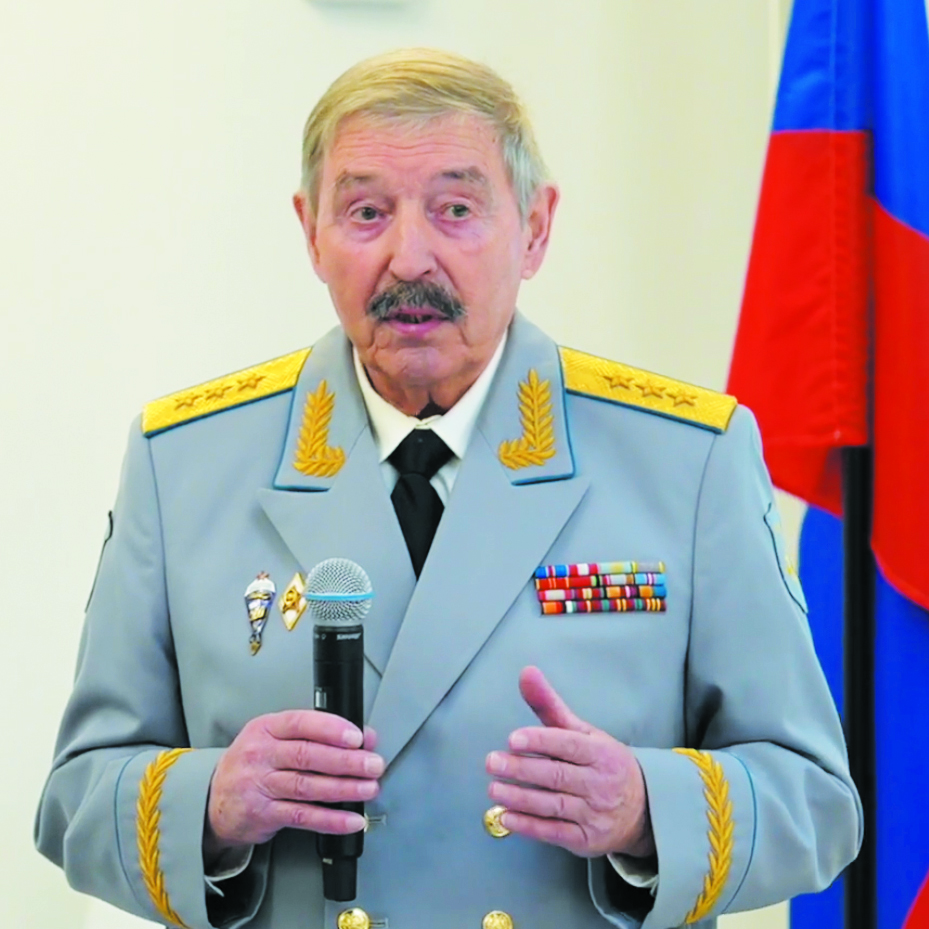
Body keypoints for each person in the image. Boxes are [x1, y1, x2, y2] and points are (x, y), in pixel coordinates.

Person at [35, 48, 861, 929]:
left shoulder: (685, 460)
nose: (408, 258)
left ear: (534, 229)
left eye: (455, 209)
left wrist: (643, 809)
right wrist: (210, 802)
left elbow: (815, 802)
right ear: (310, 232)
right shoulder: (185, 462)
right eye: (365, 212)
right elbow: (76, 798)